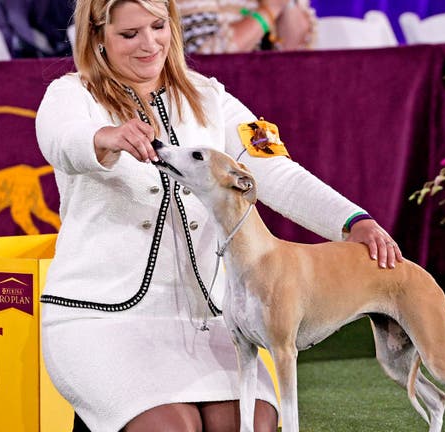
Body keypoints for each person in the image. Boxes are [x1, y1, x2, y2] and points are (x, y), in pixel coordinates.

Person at [35, 0, 403, 430]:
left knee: (254, 425)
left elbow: (276, 172)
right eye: (129, 34)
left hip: (208, 322)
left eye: (157, 26)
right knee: (173, 429)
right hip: (101, 321)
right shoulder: (70, 95)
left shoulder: (210, 96)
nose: (149, 44)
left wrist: (353, 221)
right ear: (97, 38)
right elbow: (62, 140)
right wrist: (106, 136)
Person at [178, 0, 316, 54]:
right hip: (221, 105)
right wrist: (270, 11)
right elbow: (205, 56)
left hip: (270, 96)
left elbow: (294, 53)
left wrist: (286, 3)